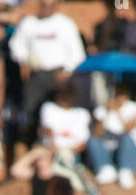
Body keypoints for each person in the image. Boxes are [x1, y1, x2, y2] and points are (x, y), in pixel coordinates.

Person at [8, 0, 86, 147]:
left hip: (60, 77)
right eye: (44, 5)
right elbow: (15, 46)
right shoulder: (29, 23)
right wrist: (26, 58)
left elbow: (78, 54)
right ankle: (30, 146)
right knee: (30, 114)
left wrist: (66, 70)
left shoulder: (65, 24)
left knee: (57, 114)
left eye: (51, 5)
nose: (47, 9)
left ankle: (58, 147)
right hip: (36, 75)